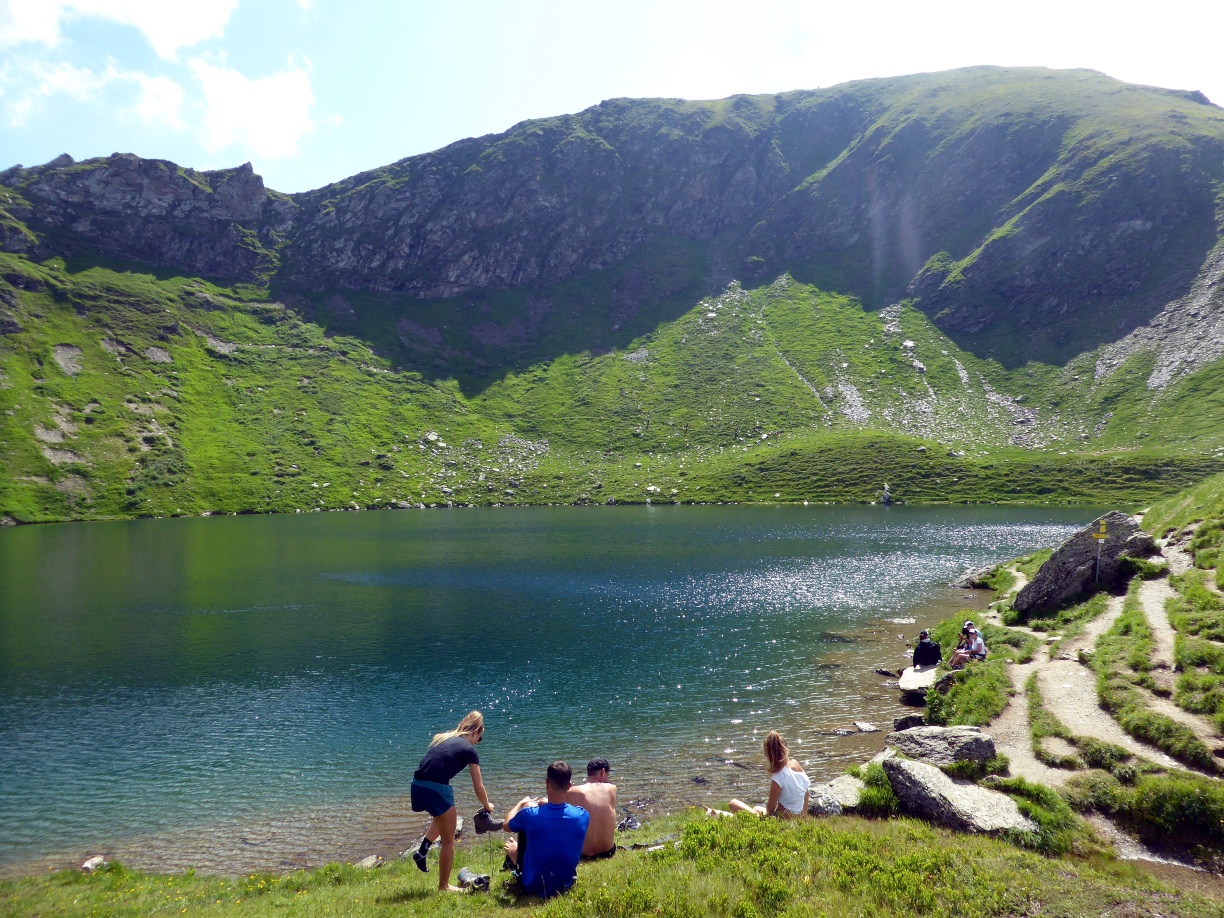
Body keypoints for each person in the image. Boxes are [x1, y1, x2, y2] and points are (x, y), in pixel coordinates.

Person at [409, 711, 495, 893]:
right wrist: (488, 806)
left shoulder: (444, 739)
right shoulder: (469, 750)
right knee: (448, 841)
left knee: (443, 817)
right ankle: (444, 887)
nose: (478, 742)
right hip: (436, 788)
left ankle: (422, 851)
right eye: (479, 738)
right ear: (475, 732)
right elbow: (478, 787)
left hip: (416, 785)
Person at [503, 761, 590, 899]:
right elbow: (558, 822)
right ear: (569, 786)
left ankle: (516, 856)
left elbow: (506, 825)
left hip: (531, 886)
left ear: (547, 783)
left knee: (525, 826)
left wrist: (521, 804)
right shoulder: (583, 815)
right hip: (566, 884)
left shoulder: (529, 814)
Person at [707, 731, 810, 818]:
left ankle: (719, 815)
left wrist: (763, 817)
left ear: (770, 755)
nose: (765, 756)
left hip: (782, 819)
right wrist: (802, 816)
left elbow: (770, 809)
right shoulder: (795, 763)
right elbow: (806, 792)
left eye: (766, 754)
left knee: (733, 803)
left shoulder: (778, 775)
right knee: (756, 808)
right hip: (797, 816)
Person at [564, 756, 618, 859]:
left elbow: (555, 801)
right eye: (607, 774)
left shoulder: (574, 791)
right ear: (602, 772)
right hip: (608, 852)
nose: (607, 778)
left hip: (583, 855)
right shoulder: (612, 788)